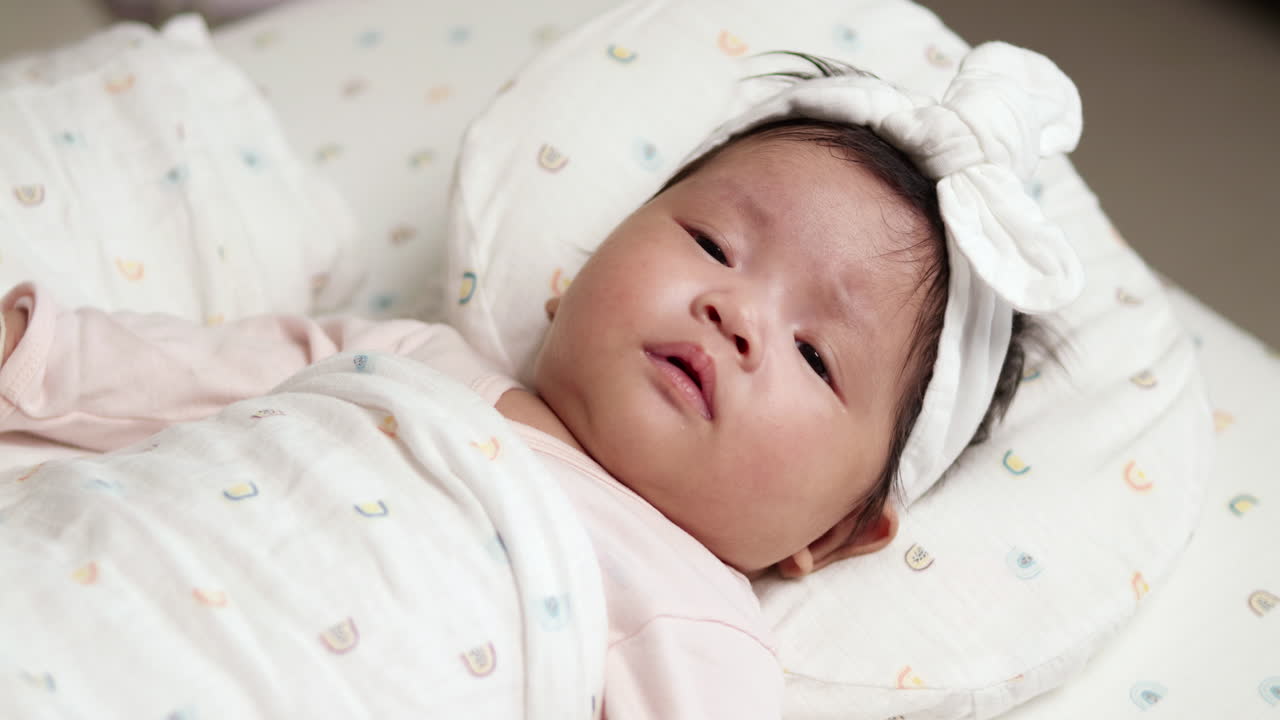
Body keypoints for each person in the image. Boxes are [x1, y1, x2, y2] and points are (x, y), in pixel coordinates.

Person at [0, 42, 1082, 718]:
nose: (737, 313)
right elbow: (138, 373)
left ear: (834, 536)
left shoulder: (691, 621)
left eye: (813, 355)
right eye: (710, 244)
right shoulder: (405, 358)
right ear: (570, 283)